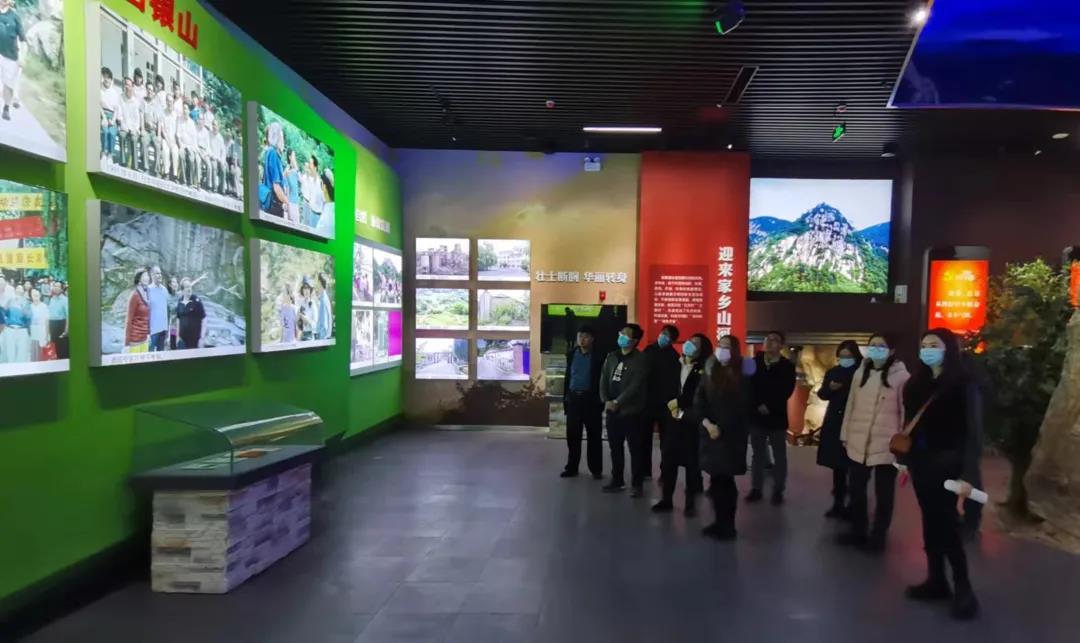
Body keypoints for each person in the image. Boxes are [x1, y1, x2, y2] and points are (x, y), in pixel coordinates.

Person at [903, 328, 982, 620]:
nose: (927, 349)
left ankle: (963, 587)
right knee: (929, 521)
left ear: (948, 348)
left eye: (933, 345)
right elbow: (910, 424)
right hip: (921, 463)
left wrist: (967, 472)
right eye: (924, 345)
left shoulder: (963, 383)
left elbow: (972, 430)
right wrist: (906, 460)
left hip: (949, 464)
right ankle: (936, 579)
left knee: (947, 523)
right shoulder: (915, 384)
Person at [838, 334, 910, 551]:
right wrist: (845, 434)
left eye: (881, 346)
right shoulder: (861, 372)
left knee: (884, 494)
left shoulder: (902, 376)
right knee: (856, 489)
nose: (876, 349)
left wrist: (902, 444)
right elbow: (851, 405)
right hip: (858, 441)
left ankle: (878, 536)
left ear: (892, 350)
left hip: (887, 445)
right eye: (872, 345)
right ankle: (858, 531)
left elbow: (905, 412)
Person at [694, 335, 752, 540]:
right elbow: (699, 399)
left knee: (726, 481)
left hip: (730, 436)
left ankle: (728, 526)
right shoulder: (710, 370)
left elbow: (743, 406)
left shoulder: (744, 372)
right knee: (716, 480)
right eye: (720, 345)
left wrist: (720, 427)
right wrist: (707, 423)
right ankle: (719, 522)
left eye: (727, 346)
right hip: (710, 433)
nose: (722, 350)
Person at [653, 333, 712, 516]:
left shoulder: (705, 370)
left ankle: (690, 503)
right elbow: (664, 386)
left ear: (702, 350)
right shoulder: (675, 364)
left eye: (696, 343)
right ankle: (666, 500)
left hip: (691, 421)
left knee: (692, 464)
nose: (690, 345)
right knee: (668, 460)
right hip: (671, 420)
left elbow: (701, 396)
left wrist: (681, 407)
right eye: (690, 341)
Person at [599, 323, 649, 496]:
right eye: (621, 333)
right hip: (612, 410)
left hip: (632, 411)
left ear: (635, 340)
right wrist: (606, 400)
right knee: (615, 447)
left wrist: (618, 401)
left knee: (635, 449)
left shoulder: (641, 359)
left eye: (626, 335)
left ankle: (637, 484)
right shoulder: (611, 356)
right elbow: (603, 379)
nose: (621, 336)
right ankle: (617, 479)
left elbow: (636, 385)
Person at [747, 331, 796, 505]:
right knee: (757, 455)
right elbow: (747, 387)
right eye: (767, 339)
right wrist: (758, 404)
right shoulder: (752, 363)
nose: (769, 342)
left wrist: (769, 405)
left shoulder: (787, 366)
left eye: (774, 340)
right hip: (756, 417)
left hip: (777, 417)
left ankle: (778, 490)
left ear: (781, 345)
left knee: (779, 455)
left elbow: (786, 390)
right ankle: (756, 489)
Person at [816, 340, 862, 519]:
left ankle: (854, 505)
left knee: (855, 467)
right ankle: (838, 503)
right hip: (835, 421)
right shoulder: (833, 372)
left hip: (855, 421)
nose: (845, 359)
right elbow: (822, 394)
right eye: (842, 356)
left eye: (848, 356)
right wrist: (830, 388)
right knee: (838, 465)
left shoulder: (861, 372)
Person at [562, 325, 605, 479]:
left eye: (585, 336)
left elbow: (603, 380)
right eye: (580, 336)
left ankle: (596, 469)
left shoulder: (600, 356)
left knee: (594, 436)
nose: (582, 339)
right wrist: (566, 399)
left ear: (592, 339)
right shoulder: (571, 354)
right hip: (574, 399)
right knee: (572, 435)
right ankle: (572, 467)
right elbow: (568, 377)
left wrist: (601, 401)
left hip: (591, 400)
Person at [643, 324, 682, 481]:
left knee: (666, 442)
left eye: (668, 335)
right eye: (663, 333)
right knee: (644, 440)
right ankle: (644, 471)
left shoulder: (674, 357)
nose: (664, 336)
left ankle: (665, 473)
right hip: (647, 403)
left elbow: (675, 383)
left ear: (673, 340)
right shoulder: (648, 351)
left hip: (667, 404)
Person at [0, 0, 25, 122]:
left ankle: (6, 107)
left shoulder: (15, 16)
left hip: (10, 55)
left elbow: (22, 39)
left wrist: (22, 57)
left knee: (8, 83)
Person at [259, 122, 287, 217]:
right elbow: (276, 186)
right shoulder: (274, 154)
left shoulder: (268, 152)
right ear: (278, 137)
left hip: (267, 201)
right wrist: (287, 202)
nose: (283, 141)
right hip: (274, 205)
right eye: (282, 136)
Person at [1, 285, 30, 362]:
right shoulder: (10, 300)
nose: (19, 289)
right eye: (17, 288)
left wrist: (23, 308)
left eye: (21, 288)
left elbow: (28, 317)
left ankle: (19, 368)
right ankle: (11, 367)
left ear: (23, 291)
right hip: (10, 329)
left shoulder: (26, 302)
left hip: (22, 329)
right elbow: (4, 313)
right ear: (15, 290)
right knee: (10, 350)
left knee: (21, 352)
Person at [117, 77, 142, 169]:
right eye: (125, 85)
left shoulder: (136, 101)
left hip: (133, 128)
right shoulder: (120, 98)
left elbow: (137, 119)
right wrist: (125, 127)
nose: (127, 87)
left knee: (134, 138)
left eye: (129, 85)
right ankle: (123, 162)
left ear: (132, 87)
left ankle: (135, 166)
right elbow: (119, 115)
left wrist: (134, 129)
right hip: (124, 127)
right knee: (122, 135)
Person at [124, 269, 151, 353]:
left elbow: (147, 318)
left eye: (147, 275)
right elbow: (129, 320)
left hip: (145, 339)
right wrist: (127, 343)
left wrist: (148, 333)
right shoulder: (134, 295)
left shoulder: (147, 294)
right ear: (139, 279)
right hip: (135, 340)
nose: (147, 278)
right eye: (144, 276)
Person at [175, 278, 207, 349]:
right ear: (182, 290)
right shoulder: (180, 301)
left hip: (195, 341)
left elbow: (204, 319)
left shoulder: (196, 300)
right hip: (182, 341)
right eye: (187, 287)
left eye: (190, 286)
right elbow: (178, 319)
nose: (189, 289)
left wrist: (202, 338)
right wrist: (177, 337)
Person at [100, 68, 121, 163]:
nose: (106, 80)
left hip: (112, 115)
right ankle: (104, 152)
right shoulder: (100, 90)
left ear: (111, 80)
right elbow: (98, 105)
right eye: (105, 77)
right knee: (105, 130)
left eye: (108, 78)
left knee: (112, 132)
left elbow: (116, 109)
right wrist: (104, 117)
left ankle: (110, 154)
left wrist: (113, 120)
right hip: (102, 113)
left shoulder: (114, 93)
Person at [147, 266, 169, 352]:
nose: (160, 275)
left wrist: (167, 330)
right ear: (152, 275)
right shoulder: (148, 290)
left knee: (161, 355)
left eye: (160, 273)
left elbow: (166, 310)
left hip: (163, 330)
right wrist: (147, 332)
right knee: (150, 355)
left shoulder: (165, 290)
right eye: (157, 273)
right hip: (152, 331)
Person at [46, 281, 67, 359]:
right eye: (55, 286)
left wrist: (66, 330)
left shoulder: (65, 300)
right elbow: (49, 315)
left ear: (62, 289)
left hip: (61, 325)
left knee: (62, 348)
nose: (56, 288)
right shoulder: (52, 299)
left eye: (58, 286)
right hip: (52, 325)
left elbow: (68, 316)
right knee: (54, 348)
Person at [28, 288, 48, 360]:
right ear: (31, 296)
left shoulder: (44, 306)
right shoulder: (29, 306)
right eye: (34, 295)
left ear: (40, 296)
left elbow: (46, 321)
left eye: (37, 295)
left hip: (41, 330)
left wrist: (47, 335)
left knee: (41, 350)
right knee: (33, 350)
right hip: (32, 330)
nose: (35, 297)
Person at [284, 150, 302, 223]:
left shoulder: (295, 170)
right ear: (290, 157)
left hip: (296, 202)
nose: (295, 158)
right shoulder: (287, 170)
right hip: (290, 202)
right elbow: (285, 187)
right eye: (294, 156)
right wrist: (287, 203)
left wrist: (296, 167)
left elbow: (301, 180)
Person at [315, 272, 333, 340]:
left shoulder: (323, 299)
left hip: (323, 338)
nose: (316, 284)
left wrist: (320, 339)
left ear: (320, 282)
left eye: (317, 281)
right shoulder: (324, 297)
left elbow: (324, 325)